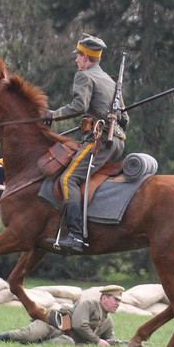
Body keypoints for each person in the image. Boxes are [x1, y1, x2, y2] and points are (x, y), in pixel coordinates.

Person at [40, 34, 129, 252]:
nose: (76, 60)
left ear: (85, 56)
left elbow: (79, 105)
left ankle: (77, 236)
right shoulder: (109, 80)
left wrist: (53, 114)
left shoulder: (84, 76)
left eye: (78, 56)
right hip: (116, 141)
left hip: (101, 141)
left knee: (68, 178)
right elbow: (125, 118)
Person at [0, 285, 125, 346]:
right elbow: (80, 325)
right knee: (27, 335)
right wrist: (97, 341)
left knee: (65, 343)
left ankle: (33, 346)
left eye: (119, 301)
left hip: (66, 337)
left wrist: (116, 344)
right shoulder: (89, 304)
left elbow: (108, 340)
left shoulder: (108, 321)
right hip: (52, 325)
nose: (118, 303)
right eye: (115, 300)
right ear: (104, 298)